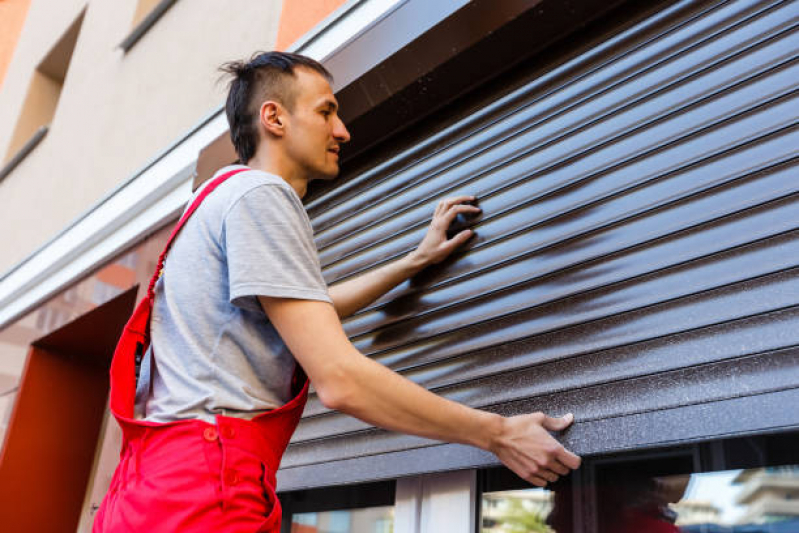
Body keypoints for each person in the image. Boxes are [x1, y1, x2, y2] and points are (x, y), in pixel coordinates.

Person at [93, 51, 580, 532]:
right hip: (204, 494)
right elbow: (340, 379)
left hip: (148, 493)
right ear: (274, 118)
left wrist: (415, 261)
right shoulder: (262, 195)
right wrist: (498, 434)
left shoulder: (214, 201)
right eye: (326, 110)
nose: (343, 130)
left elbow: (310, 307)